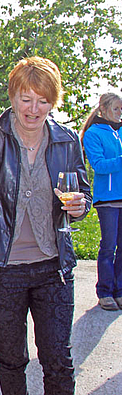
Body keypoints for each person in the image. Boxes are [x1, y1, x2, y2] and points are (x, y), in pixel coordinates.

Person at [0, 56, 91, 395]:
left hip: (54, 268)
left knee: (59, 359)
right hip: (2, 269)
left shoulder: (67, 139)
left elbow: (83, 192)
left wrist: (80, 205)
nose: (33, 108)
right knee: (12, 358)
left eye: (43, 100)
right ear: (12, 96)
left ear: (53, 101)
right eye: (26, 98)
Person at [81, 92, 122, 311]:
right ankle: (104, 292)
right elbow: (99, 165)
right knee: (109, 246)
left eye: (121, 109)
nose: (119, 113)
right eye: (116, 109)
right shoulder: (93, 133)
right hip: (108, 199)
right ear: (103, 109)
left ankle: (120, 290)